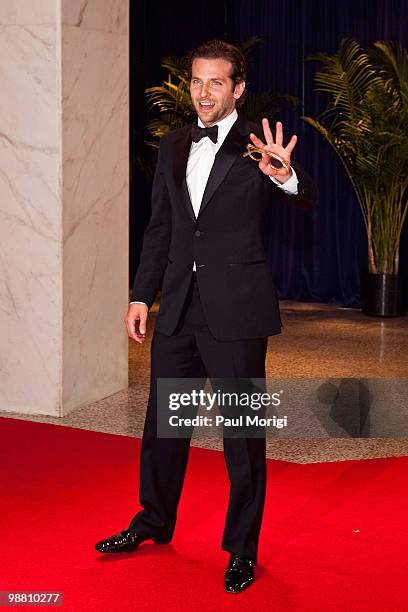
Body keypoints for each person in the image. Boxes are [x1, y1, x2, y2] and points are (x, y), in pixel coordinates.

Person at [95, 39, 317, 594]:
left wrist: (285, 177)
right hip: (179, 308)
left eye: (216, 82)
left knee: (242, 437)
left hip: (237, 311)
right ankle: (152, 521)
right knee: (164, 428)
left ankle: (241, 549)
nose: (203, 93)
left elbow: (305, 198)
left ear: (238, 88)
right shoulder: (174, 144)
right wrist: (141, 296)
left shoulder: (257, 148)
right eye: (196, 81)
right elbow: (160, 230)